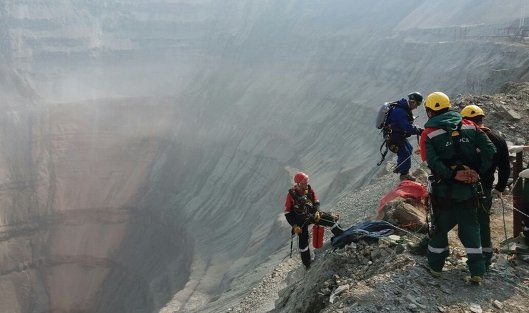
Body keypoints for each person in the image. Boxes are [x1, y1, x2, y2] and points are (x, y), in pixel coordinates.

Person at [419, 92, 496, 284]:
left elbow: (432, 162)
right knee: (471, 226)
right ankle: (477, 270)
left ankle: (436, 267)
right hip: (468, 189)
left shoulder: (428, 134)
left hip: (444, 190)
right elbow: (490, 150)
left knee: (440, 226)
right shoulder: (471, 126)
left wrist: (453, 174)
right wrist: (476, 171)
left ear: (429, 112)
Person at [461, 104, 510, 269]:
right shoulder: (498, 138)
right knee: (483, 222)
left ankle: (474, 260)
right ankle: (486, 258)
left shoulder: (465, 138)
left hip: (466, 186)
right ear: (482, 119)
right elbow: (505, 167)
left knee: (468, 222)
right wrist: (500, 187)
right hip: (486, 188)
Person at [284, 171, 344, 270]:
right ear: (298, 184)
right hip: (300, 221)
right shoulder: (291, 195)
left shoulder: (309, 190)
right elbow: (287, 212)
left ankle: (342, 238)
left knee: (331, 221)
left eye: (306, 182)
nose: (306, 184)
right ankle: (307, 264)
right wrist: (294, 225)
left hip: (312, 215)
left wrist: (317, 211)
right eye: (304, 183)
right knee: (303, 242)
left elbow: (316, 202)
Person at [385, 92, 424, 181]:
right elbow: (407, 127)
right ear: (413, 102)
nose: (417, 106)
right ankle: (404, 175)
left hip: (396, 134)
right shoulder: (400, 111)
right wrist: (419, 131)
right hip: (394, 136)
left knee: (409, 148)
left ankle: (400, 166)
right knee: (405, 153)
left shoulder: (402, 107)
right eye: (417, 104)